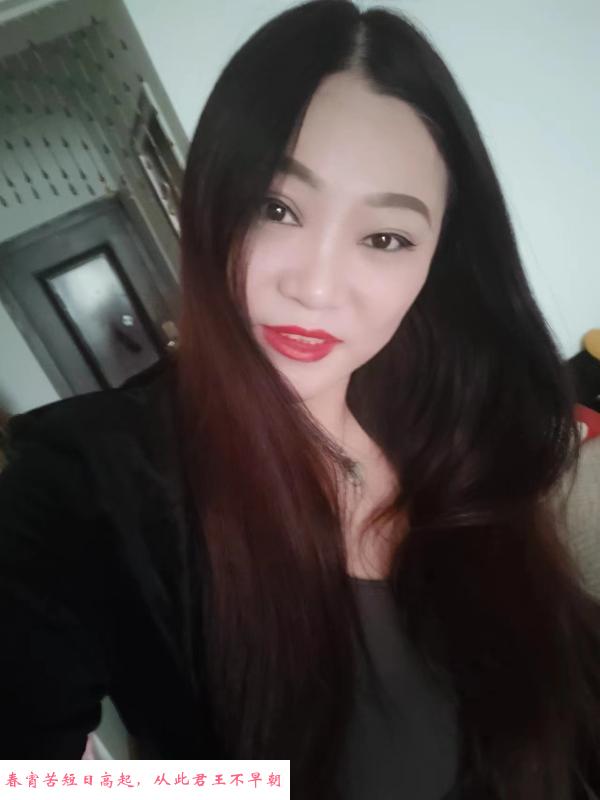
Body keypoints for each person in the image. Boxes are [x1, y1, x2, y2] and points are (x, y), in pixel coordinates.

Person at [1, 1, 599, 797]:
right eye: (275, 208)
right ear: (212, 203)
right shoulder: (86, 483)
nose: (315, 287)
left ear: (436, 260)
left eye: (385, 237)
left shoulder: (450, 421)